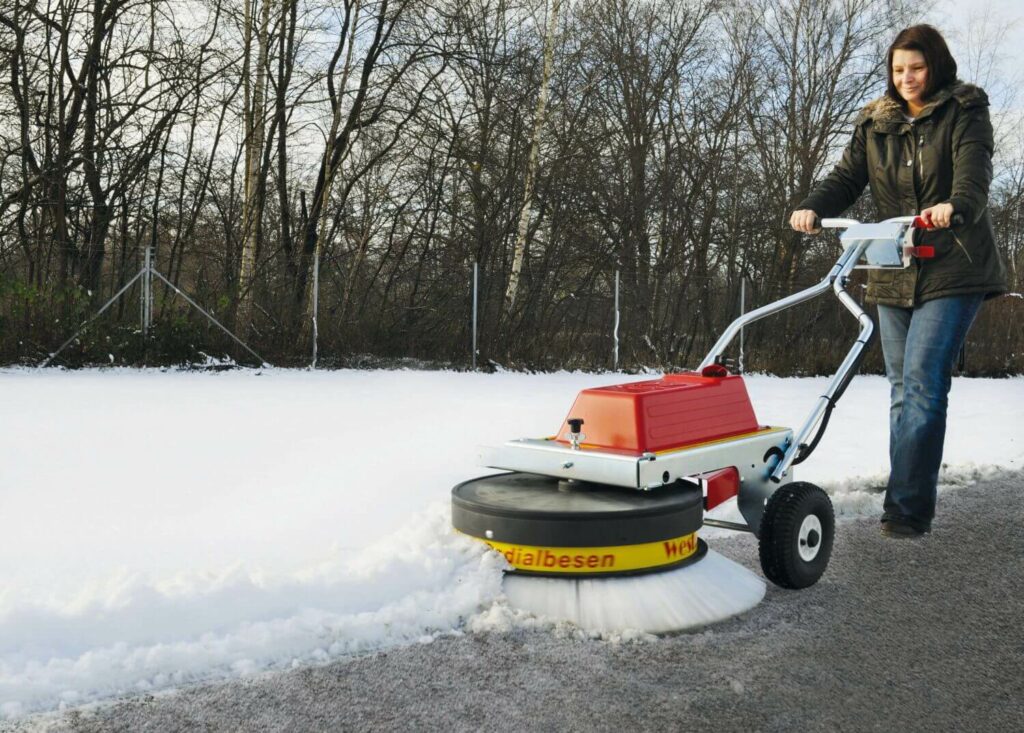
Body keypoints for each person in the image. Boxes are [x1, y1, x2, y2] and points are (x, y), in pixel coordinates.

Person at [789, 24, 1007, 538]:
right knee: (900, 390)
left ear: (936, 66)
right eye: (898, 69)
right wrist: (812, 208)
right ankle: (905, 499)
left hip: (953, 265)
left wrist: (955, 206)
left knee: (924, 386)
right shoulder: (875, 123)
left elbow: (974, 175)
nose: (906, 78)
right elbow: (846, 178)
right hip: (892, 265)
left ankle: (907, 511)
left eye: (917, 67)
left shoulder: (965, 111)